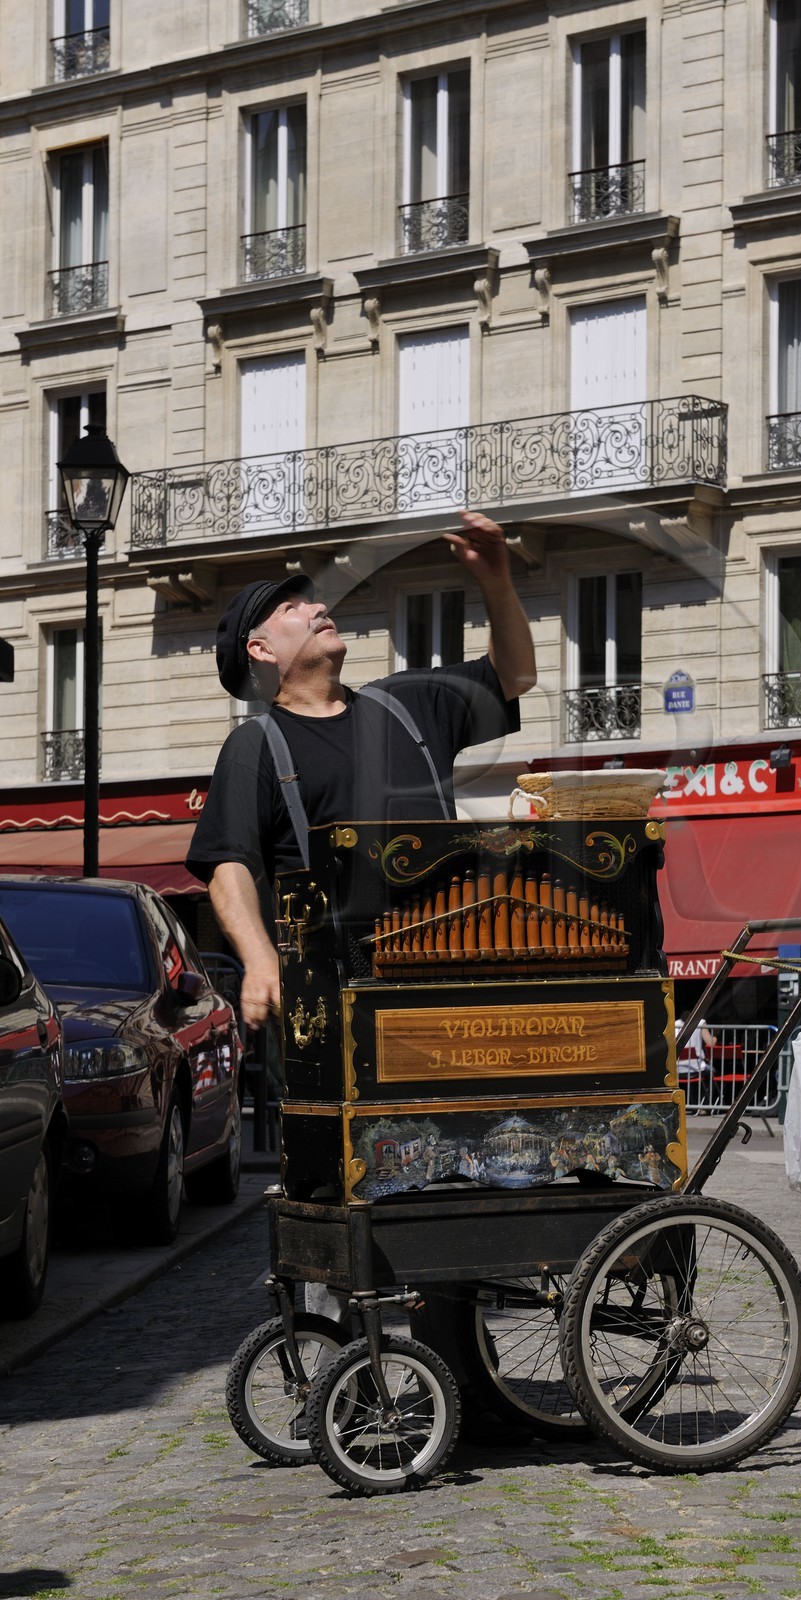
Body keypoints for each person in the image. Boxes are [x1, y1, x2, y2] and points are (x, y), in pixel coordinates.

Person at [186, 509, 536, 1442]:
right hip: (340, 1012)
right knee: (372, 1197)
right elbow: (227, 863)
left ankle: (457, 1380)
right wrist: (257, 957)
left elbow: (514, 677)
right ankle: (384, 1371)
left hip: (451, 995)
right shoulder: (256, 749)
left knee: (461, 1187)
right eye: (296, 607)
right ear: (262, 648)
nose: (318, 609)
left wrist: (496, 574)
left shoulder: (407, 708)